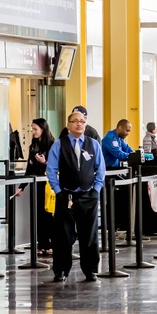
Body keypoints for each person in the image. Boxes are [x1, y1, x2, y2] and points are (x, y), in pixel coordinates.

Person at [46, 111, 106, 282]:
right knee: (63, 236)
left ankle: (91, 270)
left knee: (90, 235)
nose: (79, 124)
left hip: (88, 196)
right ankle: (61, 270)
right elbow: (51, 171)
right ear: (68, 125)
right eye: (75, 121)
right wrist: (58, 191)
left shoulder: (93, 144)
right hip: (66, 195)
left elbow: (100, 169)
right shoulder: (59, 145)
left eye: (82, 121)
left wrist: (96, 190)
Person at [15, 118, 55, 256]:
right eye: (32, 129)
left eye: (35, 129)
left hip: (48, 184)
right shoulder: (33, 144)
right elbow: (29, 168)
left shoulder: (52, 144)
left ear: (43, 129)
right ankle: (41, 243)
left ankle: (50, 243)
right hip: (35, 182)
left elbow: (56, 165)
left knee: (47, 214)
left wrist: (45, 162)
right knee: (37, 214)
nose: (33, 131)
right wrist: (22, 186)